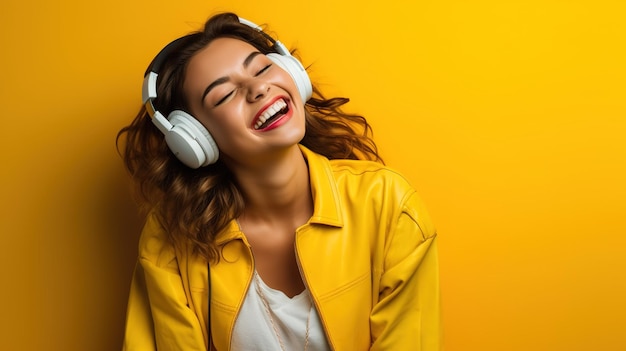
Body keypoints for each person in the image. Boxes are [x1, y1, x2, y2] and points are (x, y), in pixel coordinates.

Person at [118, 12, 441, 351]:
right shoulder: (169, 239)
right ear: (195, 141)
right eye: (224, 95)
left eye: (262, 68)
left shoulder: (389, 204)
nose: (258, 88)